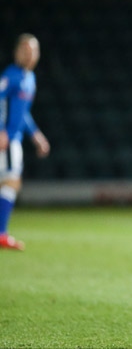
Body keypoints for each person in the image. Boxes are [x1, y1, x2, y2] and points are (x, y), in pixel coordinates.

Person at [0, 33, 50, 251]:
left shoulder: (29, 78)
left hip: (14, 139)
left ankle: (1, 233)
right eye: (25, 50)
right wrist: (1, 130)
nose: (29, 55)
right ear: (17, 52)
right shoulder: (11, 75)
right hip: (7, 139)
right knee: (10, 182)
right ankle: (1, 234)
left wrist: (36, 134)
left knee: (10, 182)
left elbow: (23, 113)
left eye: (33, 51)